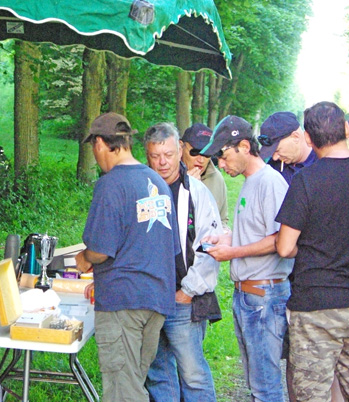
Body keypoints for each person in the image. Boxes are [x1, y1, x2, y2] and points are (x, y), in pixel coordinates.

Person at [75, 112, 179, 402]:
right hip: (156, 299)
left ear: (99, 144)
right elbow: (166, 247)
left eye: (94, 148)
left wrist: (83, 258)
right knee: (134, 383)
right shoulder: (157, 182)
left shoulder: (110, 184)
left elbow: (100, 250)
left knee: (124, 393)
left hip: (123, 302)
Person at [200, 115, 293, 402]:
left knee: (266, 387)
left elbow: (280, 240)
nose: (221, 164)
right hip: (247, 297)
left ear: (243, 145)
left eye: (224, 156)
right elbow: (254, 233)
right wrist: (224, 240)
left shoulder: (270, 182)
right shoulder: (249, 182)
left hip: (264, 295)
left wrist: (232, 253)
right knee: (256, 384)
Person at [275, 101, 349, 401]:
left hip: (315, 305)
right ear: (346, 128)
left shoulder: (305, 180)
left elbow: (284, 247)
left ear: (308, 138)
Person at [143, 122, 222, 402]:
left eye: (168, 154)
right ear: (147, 155)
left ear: (179, 151)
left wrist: (188, 291)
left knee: (193, 374)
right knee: (157, 372)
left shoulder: (197, 193)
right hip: (148, 299)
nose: (162, 162)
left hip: (181, 299)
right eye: (155, 156)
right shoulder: (140, 190)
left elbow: (210, 246)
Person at [180, 123, 230, 231]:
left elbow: (222, 220)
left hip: (204, 245)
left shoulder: (216, 179)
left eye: (207, 154)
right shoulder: (166, 173)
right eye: (195, 152)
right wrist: (183, 186)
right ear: (181, 147)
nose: (201, 160)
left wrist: (224, 232)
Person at [259, 111, 317, 184]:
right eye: (272, 152)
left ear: (295, 137)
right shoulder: (273, 166)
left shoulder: (322, 167)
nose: (275, 158)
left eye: (277, 150)